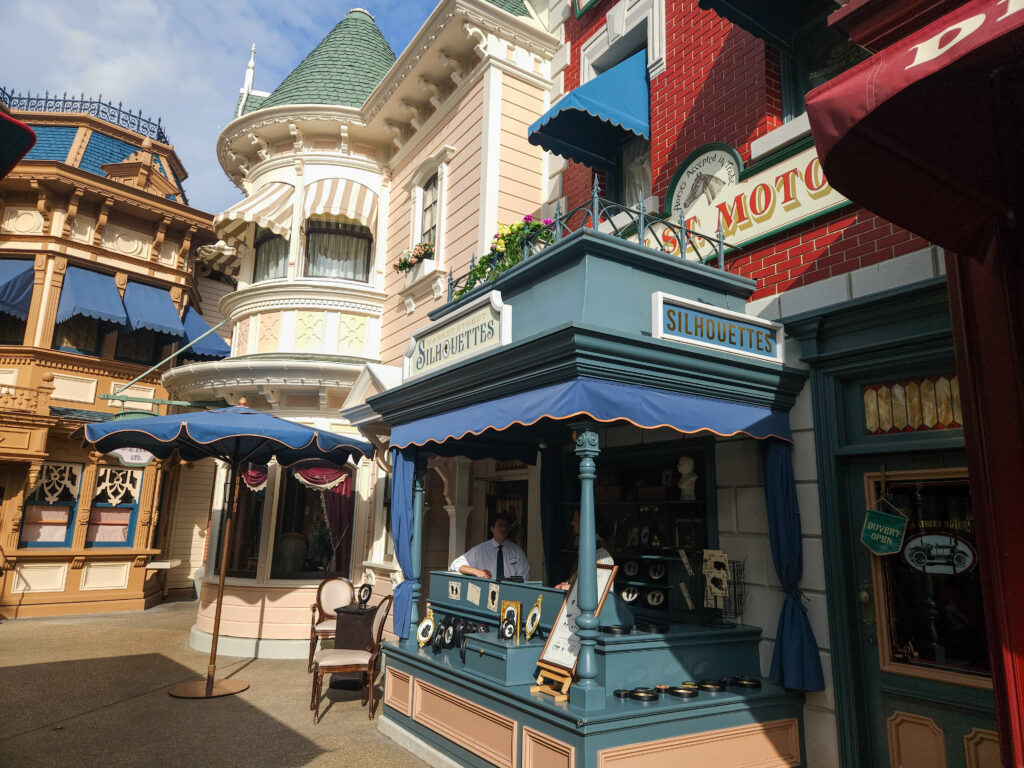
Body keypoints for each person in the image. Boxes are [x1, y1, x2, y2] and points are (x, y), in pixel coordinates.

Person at [449, 514, 529, 580]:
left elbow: (524, 576)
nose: (504, 528)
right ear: (492, 529)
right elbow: (455, 564)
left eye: (506, 525)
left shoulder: (517, 551)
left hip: (510, 595)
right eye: (500, 525)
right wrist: (478, 572)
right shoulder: (480, 550)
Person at [556, 509, 613, 590]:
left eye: (575, 520)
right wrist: (567, 583)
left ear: (585, 522)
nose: (571, 523)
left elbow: (599, 589)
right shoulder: (585, 551)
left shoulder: (602, 554)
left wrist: (570, 587)